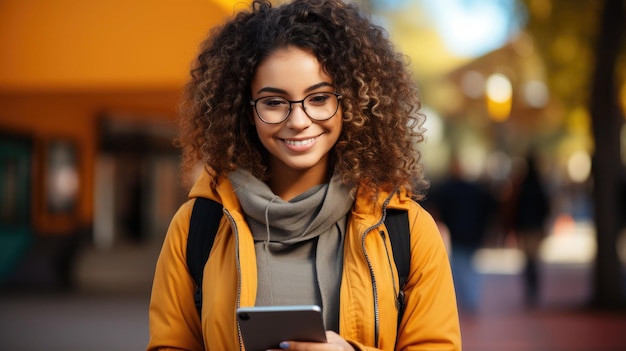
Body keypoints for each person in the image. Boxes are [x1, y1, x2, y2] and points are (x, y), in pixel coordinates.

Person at [147, 1, 461, 350]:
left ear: (351, 103)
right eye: (274, 102)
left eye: (319, 98)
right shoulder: (195, 227)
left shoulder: (408, 230)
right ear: (245, 110)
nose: (298, 121)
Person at [428, 156, 495, 314]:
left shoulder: (446, 188)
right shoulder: (473, 189)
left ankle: (463, 301)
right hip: (473, 234)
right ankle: (471, 300)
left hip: (459, 234)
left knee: (458, 269)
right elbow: (487, 208)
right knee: (470, 268)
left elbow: (437, 209)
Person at [510, 153, 550, 306]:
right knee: (534, 260)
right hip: (535, 227)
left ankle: (530, 288)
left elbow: (516, 209)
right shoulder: (539, 185)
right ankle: (533, 288)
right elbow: (545, 207)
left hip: (525, 228)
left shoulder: (522, 186)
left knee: (528, 260)